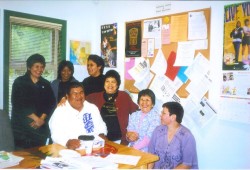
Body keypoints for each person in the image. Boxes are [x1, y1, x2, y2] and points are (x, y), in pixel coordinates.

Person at [11, 53, 56, 149]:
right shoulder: (19, 82)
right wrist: (36, 119)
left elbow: (51, 103)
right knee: (21, 157)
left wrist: (42, 119)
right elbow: (18, 104)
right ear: (29, 67)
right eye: (36, 66)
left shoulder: (46, 84)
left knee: (38, 157)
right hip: (21, 128)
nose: (39, 70)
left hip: (40, 129)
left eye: (42, 67)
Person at [49, 82, 107, 150]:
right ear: (67, 96)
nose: (79, 96)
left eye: (81, 93)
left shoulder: (92, 108)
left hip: (92, 148)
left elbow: (101, 125)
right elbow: (55, 133)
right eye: (75, 93)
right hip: (67, 150)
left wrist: (102, 134)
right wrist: (66, 142)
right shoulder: (60, 111)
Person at [86, 70, 138, 145]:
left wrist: (133, 131)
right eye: (107, 81)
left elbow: (136, 112)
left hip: (120, 139)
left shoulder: (124, 96)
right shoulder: (95, 97)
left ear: (117, 84)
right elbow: (79, 100)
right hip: (102, 140)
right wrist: (65, 99)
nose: (110, 84)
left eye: (113, 82)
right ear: (104, 83)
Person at [148, 102, 198, 169]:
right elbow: (151, 155)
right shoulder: (158, 130)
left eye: (163, 113)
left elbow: (186, 165)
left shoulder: (187, 136)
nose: (160, 115)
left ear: (173, 117)